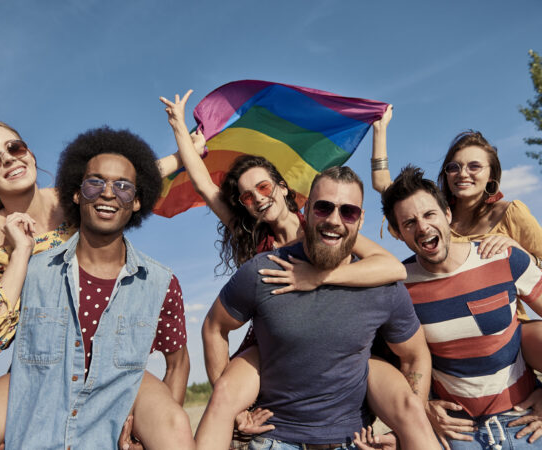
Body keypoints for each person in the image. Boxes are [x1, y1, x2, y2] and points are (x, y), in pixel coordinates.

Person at [161, 91, 439, 449]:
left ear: (283, 187)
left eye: (263, 187)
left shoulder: (324, 225)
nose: (258, 198)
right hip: (270, 338)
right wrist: (180, 130)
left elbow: (389, 266)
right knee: (229, 404)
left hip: (334, 336)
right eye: (247, 196)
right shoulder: (255, 245)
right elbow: (202, 182)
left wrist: (317, 276)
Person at [0, 124, 192, 449]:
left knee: (173, 424)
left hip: (107, 355)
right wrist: (20, 253)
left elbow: (123, 177)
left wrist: (184, 151)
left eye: (14, 147)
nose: (8, 159)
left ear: (29, 152)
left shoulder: (75, 195)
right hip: (40, 358)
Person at [202, 165, 434, 449]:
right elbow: (214, 327)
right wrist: (235, 408)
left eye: (348, 212)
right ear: (308, 209)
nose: (335, 219)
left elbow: (414, 354)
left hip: (353, 440)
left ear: (360, 221)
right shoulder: (264, 269)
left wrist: (409, 425)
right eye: (324, 208)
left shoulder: (381, 283)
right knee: (224, 395)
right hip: (275, 436)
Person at [381, 165, 542, 450]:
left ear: (447, 214)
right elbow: (406, 360)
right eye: (409, 223)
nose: (423, 227)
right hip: (457, 435)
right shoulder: (400, 287)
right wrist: (425, 406)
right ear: (398, 233)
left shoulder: (502, 256)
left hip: (527, 423)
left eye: (430, 214)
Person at [372, 110, 542, 372]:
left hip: (506, 329)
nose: (463, 173)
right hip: (447, 335)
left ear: (491, 176)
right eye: (454, 167)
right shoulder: (432, 220)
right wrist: (380, 129)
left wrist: (521, 254)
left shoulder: (511, 213)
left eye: (474, 166)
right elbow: (384, 185)